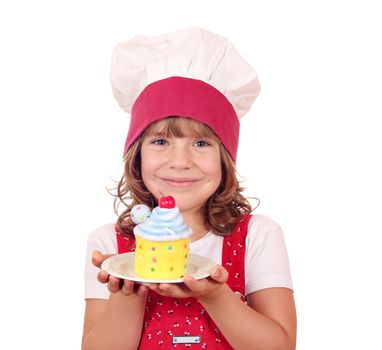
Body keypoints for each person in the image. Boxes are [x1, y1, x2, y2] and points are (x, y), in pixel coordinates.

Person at [82, 27, 296, 350]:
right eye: (160, 141)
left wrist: (216, 295)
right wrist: (128, 292)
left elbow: (280, 347)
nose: (180, 161)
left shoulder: (258, 237)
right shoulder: (112, 247)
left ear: (225, 156)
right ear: (136, 154)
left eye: (200, 142)